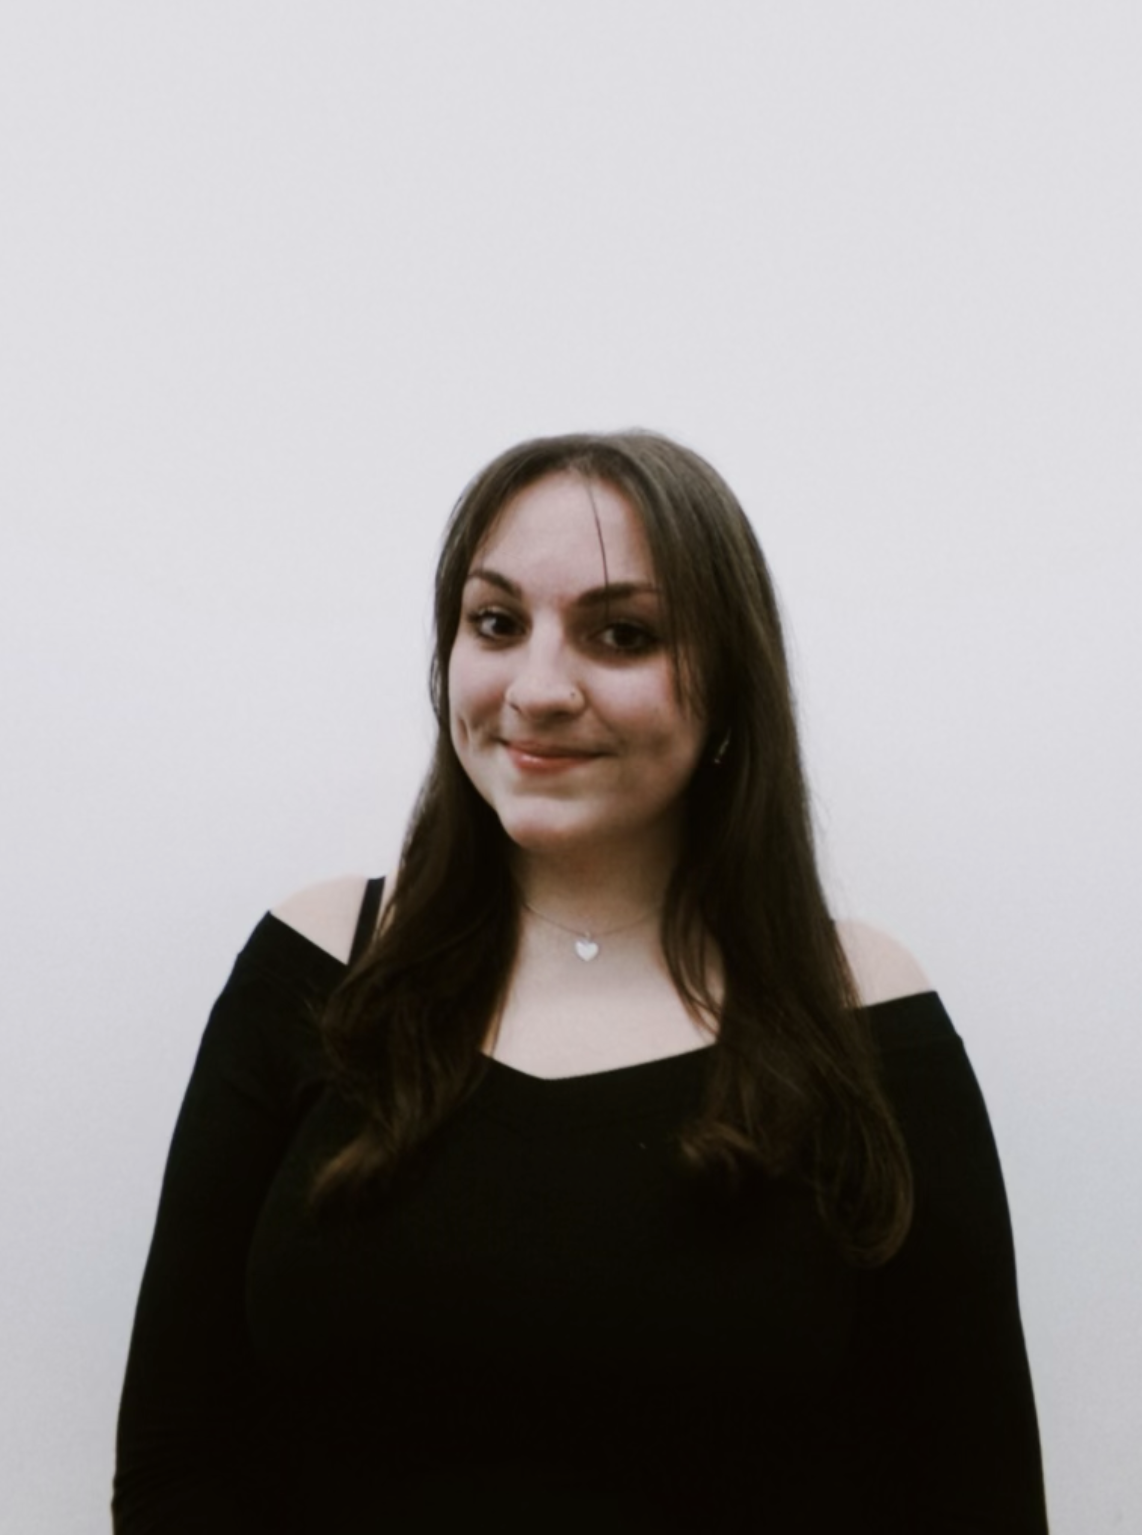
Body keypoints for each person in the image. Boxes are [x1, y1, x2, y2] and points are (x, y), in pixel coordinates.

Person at [112, 430, 1048, 1533]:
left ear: (730, 682)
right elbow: (176, 1457)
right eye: (496, 622)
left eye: (621, 633)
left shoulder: (857, 1009)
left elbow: (973, 1494)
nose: (538, 687)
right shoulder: (319, 961)